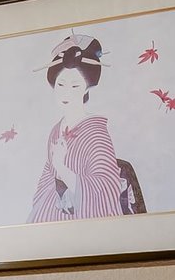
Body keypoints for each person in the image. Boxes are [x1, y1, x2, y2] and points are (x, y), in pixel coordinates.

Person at [28, 33, 143, 222]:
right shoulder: (56, 131)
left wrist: (62, 169)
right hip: (52, 215)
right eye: (61, 84)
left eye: (75, 86)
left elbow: (106, 188)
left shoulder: (95, 132)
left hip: (84, 219)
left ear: (87, 87)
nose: (66, 92)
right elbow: (45, 183)